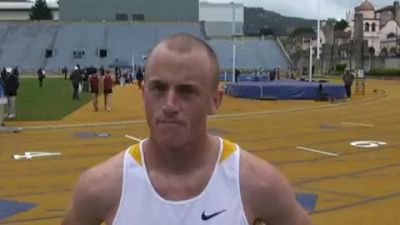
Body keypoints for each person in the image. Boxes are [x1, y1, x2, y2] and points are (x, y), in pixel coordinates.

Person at [61, 34, 312, 225]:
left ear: (215, 101)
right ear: (144, 93)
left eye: (187, 91)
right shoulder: (99, 188)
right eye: (158, 89)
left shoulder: (258, 184)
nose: (169, 105)